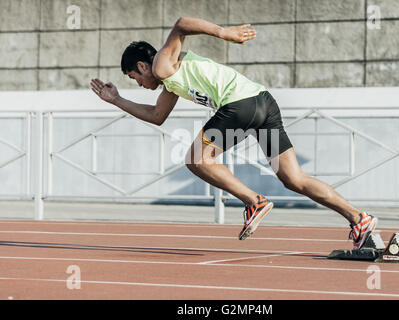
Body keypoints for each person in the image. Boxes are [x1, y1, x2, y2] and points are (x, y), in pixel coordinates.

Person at [90, 17, 377, 248]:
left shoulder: (162, 64)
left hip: (240, 106)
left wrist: (225, 33)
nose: (139, 84)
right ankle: (358, 218)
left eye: (134, 78)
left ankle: (255, 201)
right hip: (263, 105)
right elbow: (156, 116)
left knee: (196, 159)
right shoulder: (170, 81)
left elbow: (181, 24)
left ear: (142, 65)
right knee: (293, 178)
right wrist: (116, 101)